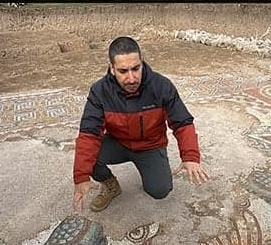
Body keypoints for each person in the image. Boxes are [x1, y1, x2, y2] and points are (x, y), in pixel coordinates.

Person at [71, 36, 210, 212]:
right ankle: (110, 184)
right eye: (123, 71)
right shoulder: (99, 91)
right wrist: (81, 176)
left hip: (150, 146)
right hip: (118, 143)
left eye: (136, 68)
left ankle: (151, 170)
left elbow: (182, 122)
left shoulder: (161, 86)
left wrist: (190, 157)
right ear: (112, 68)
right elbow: (88, 134)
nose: (131, 78)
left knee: (160, 190)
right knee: (87, 156)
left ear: (142, 62)